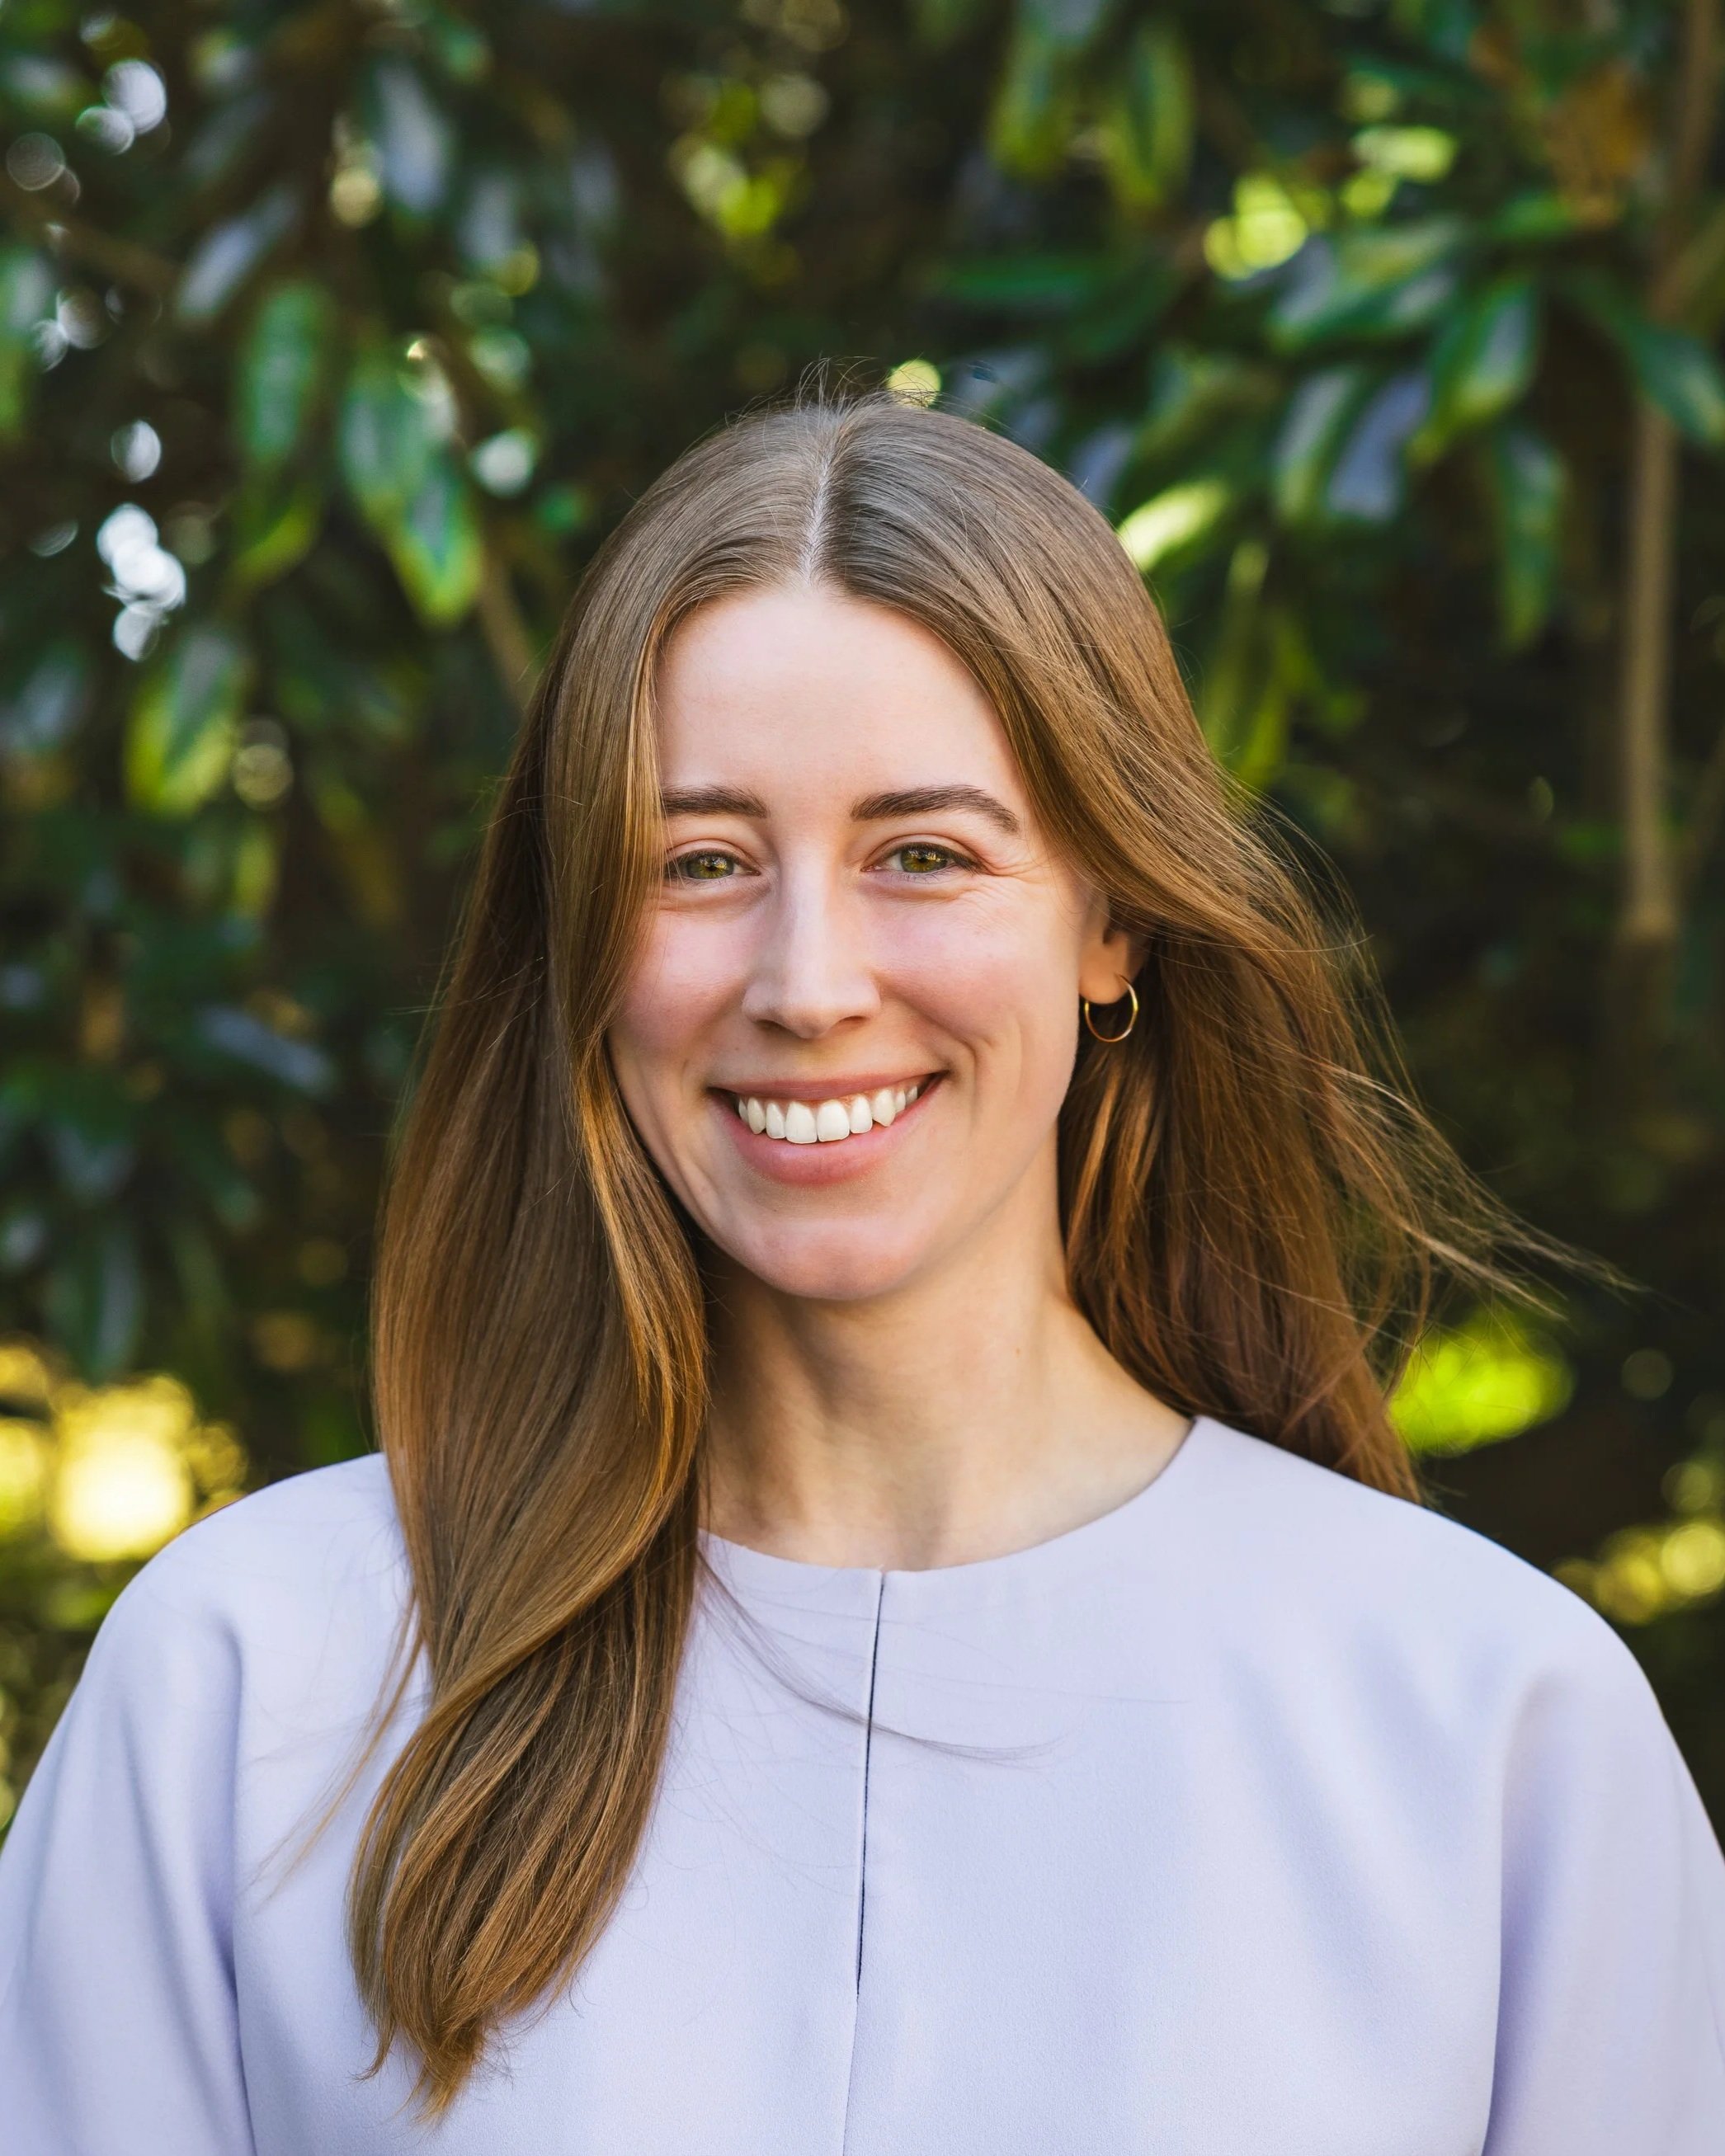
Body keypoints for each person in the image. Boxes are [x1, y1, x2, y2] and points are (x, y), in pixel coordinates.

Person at [1, 383, 1722, 2155]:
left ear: (1109, 919)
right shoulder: (251, 1677)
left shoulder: (1486, 1717)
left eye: (921, 852)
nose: (807, 979)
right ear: (582, 936)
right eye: (699, 861)